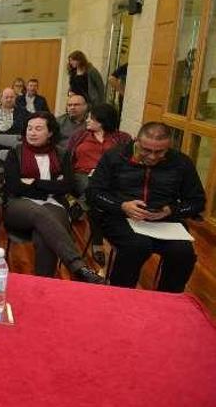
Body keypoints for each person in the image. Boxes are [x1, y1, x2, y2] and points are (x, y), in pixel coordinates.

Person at [87, 122, 205, 292]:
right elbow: (94, 193)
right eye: (146, 150)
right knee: (137, 246)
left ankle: (168, 300)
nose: (152, 157)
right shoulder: (115, 157)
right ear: (137, 141)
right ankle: (119, 296)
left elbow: (197, 202)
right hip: (120, 217)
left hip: (165, 222)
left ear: (169, 146)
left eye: (160, 152)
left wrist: (171, 210)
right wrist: (122, 205)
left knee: (183, 254)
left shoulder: (181, 163)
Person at [2, 112, 104, 283]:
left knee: (44, 239)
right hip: (18, 205)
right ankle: (78, 266)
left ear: (50, 133)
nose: (32, 133)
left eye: (38, 129)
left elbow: (66, 186)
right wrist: (50, 186)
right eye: (29, 128)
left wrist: (33, 182)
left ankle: (43, 286)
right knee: (39, 213)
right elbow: (14, 187)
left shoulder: (62, 154)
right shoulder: (16, 153)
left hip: (54, 203)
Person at [66, 103, 132, 264]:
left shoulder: (122, 138)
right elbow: (67, 158)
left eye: (91, 118)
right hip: (81, 175)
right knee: (94, 191)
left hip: (109, 179)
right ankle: (97, 244)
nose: (87, 120)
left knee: (96, 199)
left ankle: (80, 206)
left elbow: (129, 163)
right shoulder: (80, 135)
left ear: (102, 121)